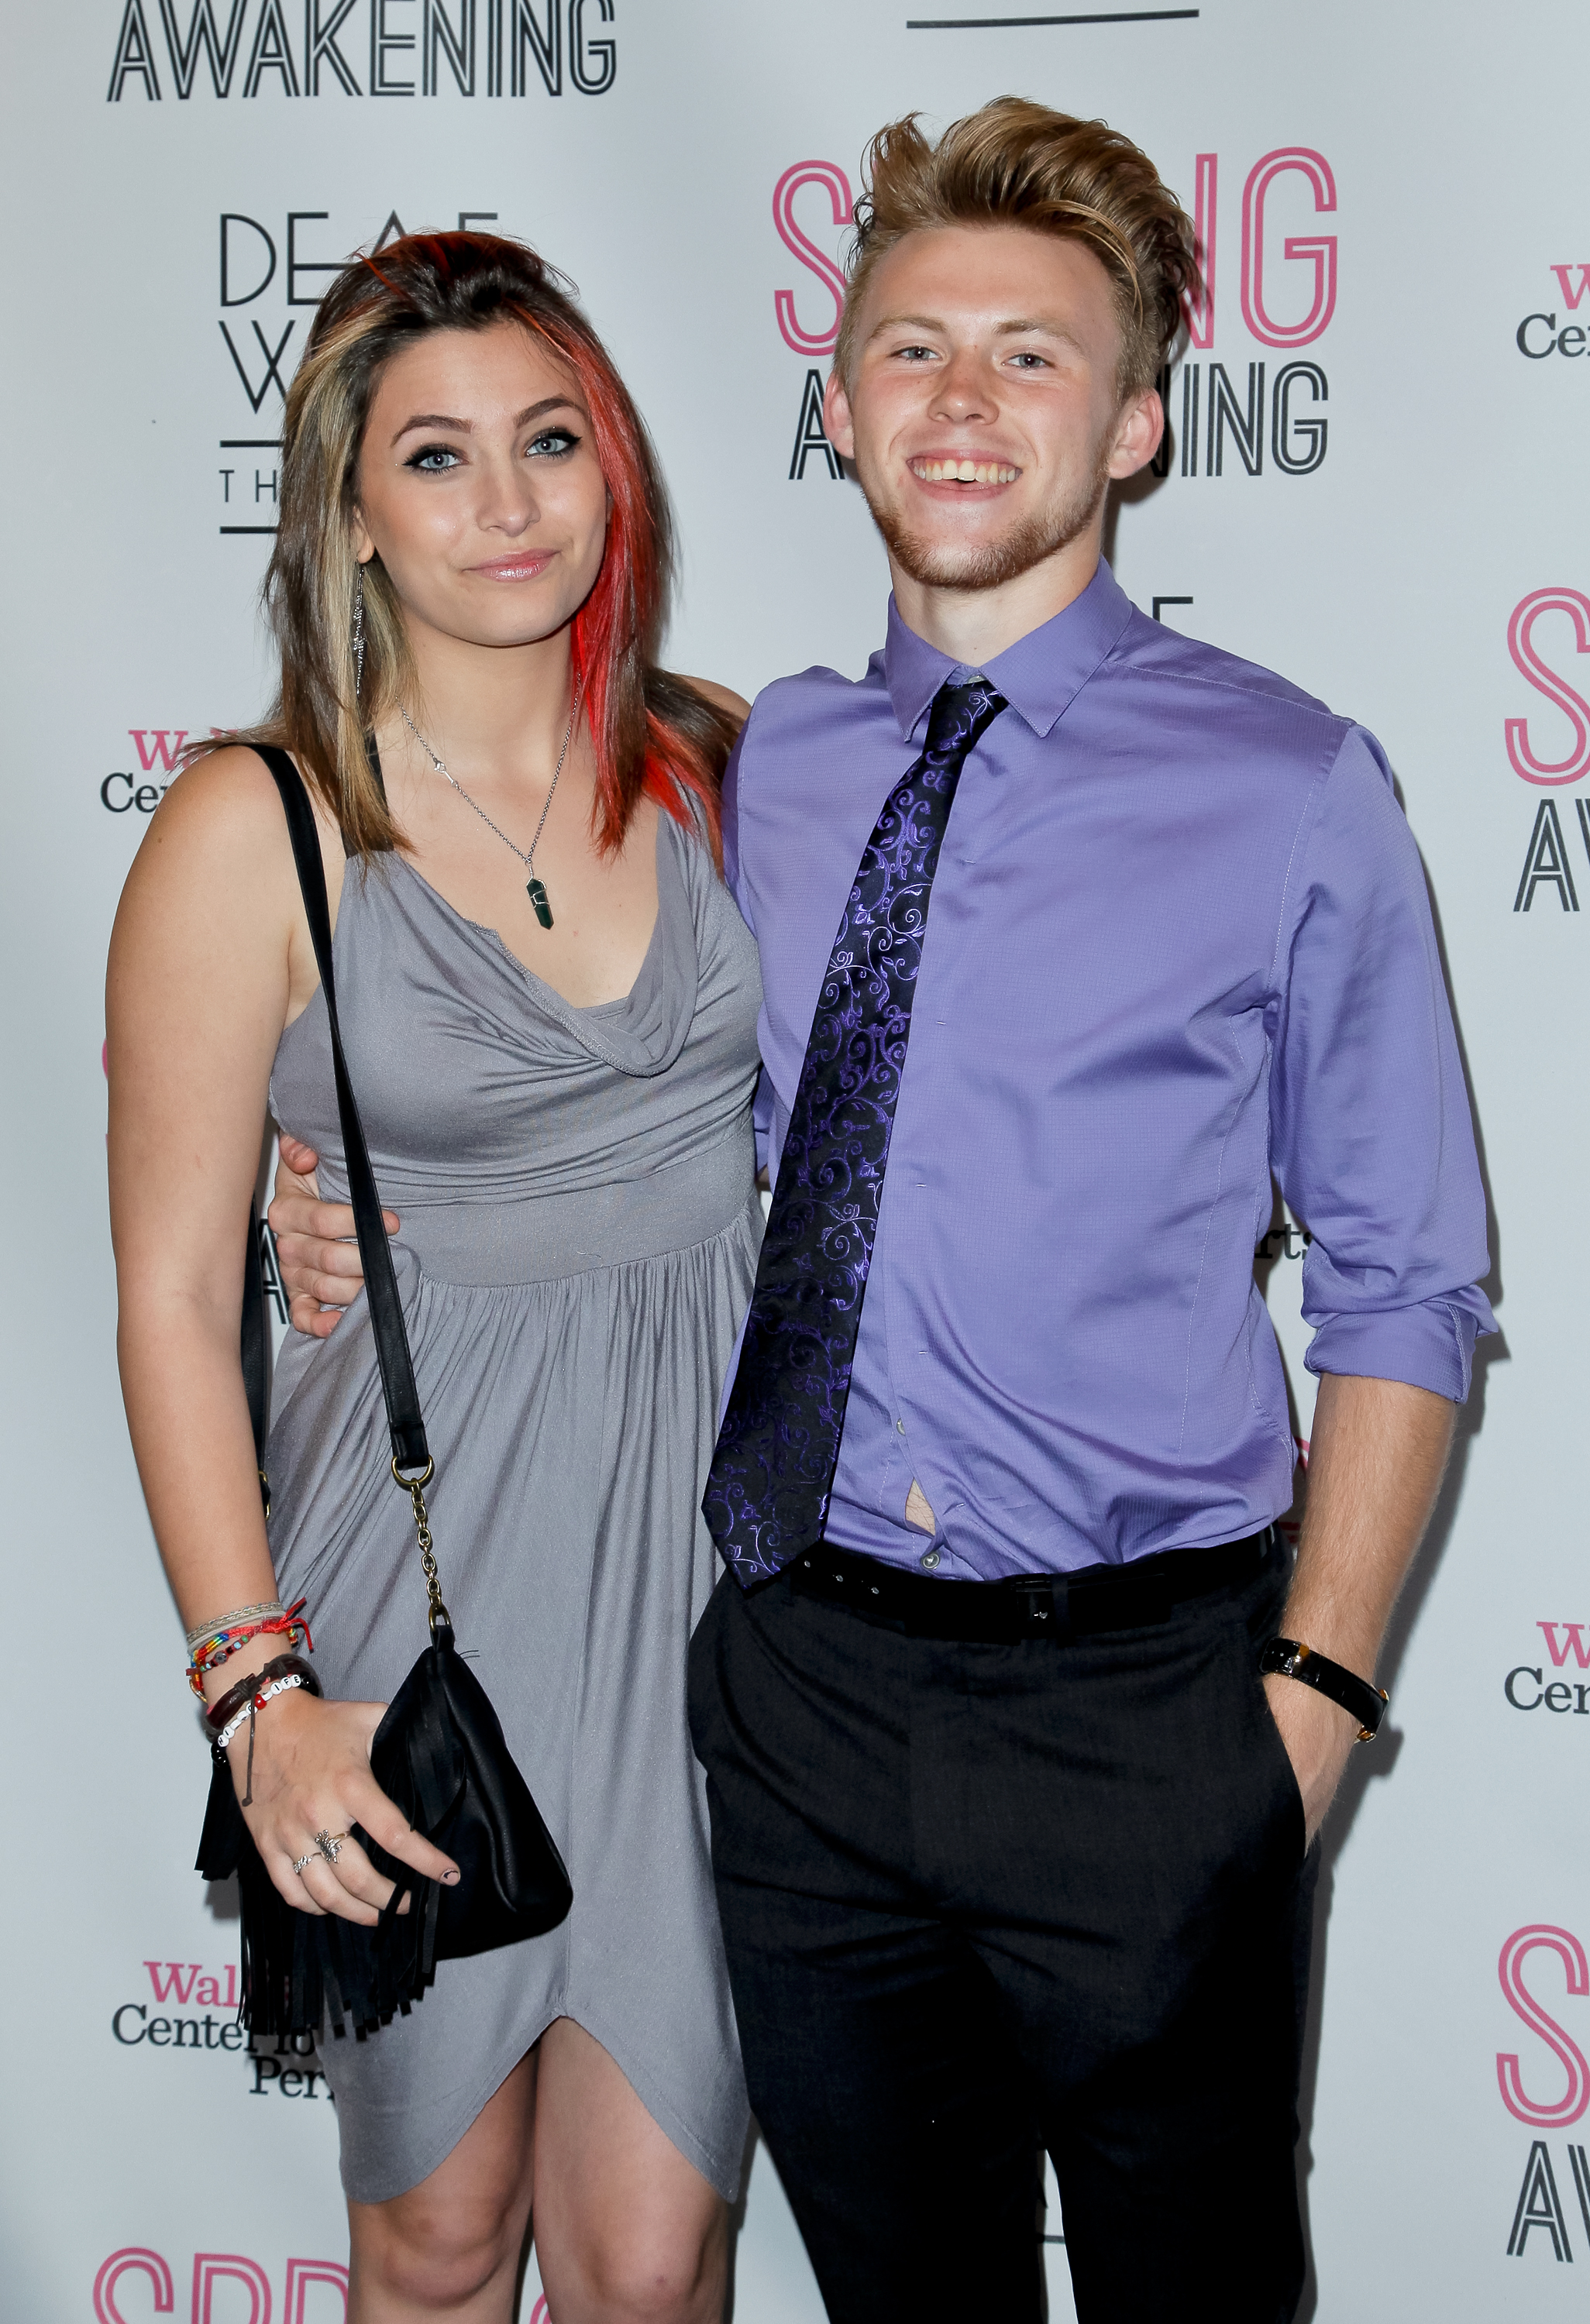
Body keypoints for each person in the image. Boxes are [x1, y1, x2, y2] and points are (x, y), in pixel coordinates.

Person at [681, 99, 1495, 2323]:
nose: (962, 400)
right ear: (836, 398)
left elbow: (1409, 1280)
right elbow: (575, 1105)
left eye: (1031, 355)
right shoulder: (748, 773)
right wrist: (324, 1199)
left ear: (1135, 422)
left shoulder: (1288, 780)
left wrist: (1308, 1704)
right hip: (804, 1694)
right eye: (913, 346)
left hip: (1149, 1708)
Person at [107, 232, 762, 2324]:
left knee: (652, 2265)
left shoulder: (730, 765)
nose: (507, 506)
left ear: (613, 462)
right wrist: (255, 1694)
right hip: (424, 1585)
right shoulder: (252, 830)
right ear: (350, 511)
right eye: (438, 456)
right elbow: (161, 1295)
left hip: (713, 1594)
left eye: (548, 441)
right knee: (438, 2231)